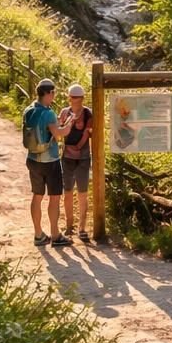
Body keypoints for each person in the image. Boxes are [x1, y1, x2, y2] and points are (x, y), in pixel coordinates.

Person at [23, 79, 74, 247]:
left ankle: (38, 235)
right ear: (49, 93)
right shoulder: (48, 113)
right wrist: (70, 123)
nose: (54, 96)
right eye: (54, 93)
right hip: (50, 161)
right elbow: (59, 134)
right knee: (54, 198)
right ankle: (55, 234)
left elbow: (45, 128)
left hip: (32, 159)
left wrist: (58, 121)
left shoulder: (29, 110)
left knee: (37, 197)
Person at [58, 84, 94, 242]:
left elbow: (88, 132)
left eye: (77, 97)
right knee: (67, 192)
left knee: (82, 193)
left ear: (82, 98)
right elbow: (59, 131)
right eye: (72, 97)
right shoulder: (65, 113)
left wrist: (79, 145)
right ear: (69, 98)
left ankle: (82, 228)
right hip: (67, 157)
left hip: (83, 157)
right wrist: (68, 125)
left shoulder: (87, 113)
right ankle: (69, 226)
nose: (74, 100)